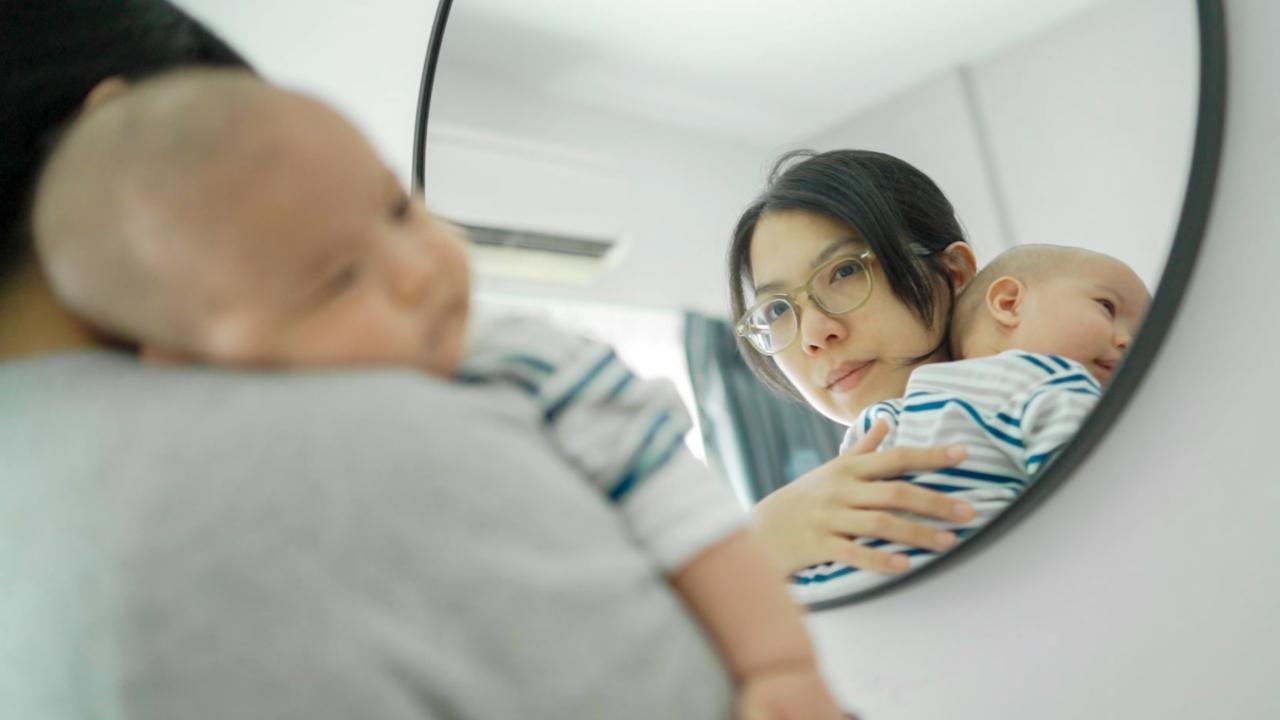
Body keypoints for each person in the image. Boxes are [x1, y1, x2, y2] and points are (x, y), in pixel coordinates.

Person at [26, 66, 850, 719]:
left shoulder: (526, 360)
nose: (420, 271)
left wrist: (774, 663)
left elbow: (679, 503)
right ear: (189, 362)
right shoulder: (233, 467)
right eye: (337, 280)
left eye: (397, 208)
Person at [783, 244, 1150, 603]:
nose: (1128, 340)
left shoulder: (883, 417)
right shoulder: (1050, 380)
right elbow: (1101, 503)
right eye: (1107, 307)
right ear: (1008, 302)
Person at [727, 149, 983, 580]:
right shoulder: (794, 536)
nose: (813, 334)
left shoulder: (1067, 388)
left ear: (953, 274)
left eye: (844, 272)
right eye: (775, 310)